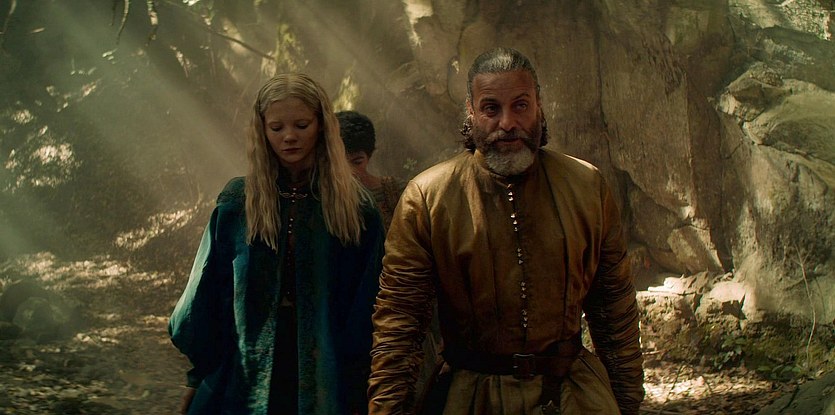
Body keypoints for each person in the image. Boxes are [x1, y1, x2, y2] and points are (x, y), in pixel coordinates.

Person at [367, 48, 644, 414]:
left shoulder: (586, 186)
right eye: (491, 108)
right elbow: (399, 323)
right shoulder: (429, 198)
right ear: (471, 112)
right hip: (471, 398)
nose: (508, 123)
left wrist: (627, 401)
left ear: (539, 106)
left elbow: (614, 309)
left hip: (572, 395)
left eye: (521, 106)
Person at [169, 73, 385, 415]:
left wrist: (361, 379)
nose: (289, 137)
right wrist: (199, 375)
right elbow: (204, 294)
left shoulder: (355, 208)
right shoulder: (238, 202)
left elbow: (369, 302)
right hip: (243, 371)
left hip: (327, 376)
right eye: (276, 127)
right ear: (262, 130)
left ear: (321, 125)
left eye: (301, 125)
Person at [336, 110, 407, 230]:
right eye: (340, 164)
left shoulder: (398, 191)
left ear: (369, 156)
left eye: (357, 162)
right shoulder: (325, 204)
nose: (350, 171)